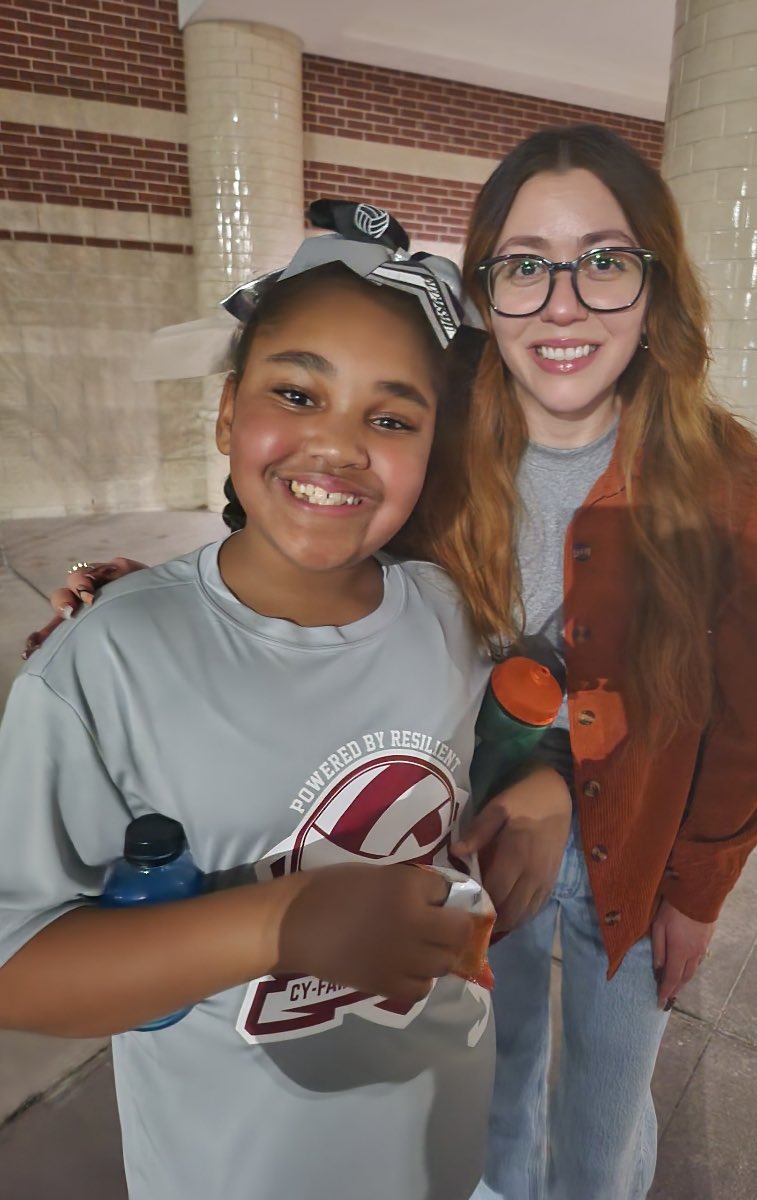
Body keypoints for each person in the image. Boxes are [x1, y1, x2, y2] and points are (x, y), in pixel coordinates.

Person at [27, 124, 757, 1200]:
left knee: (608, 1103)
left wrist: (702, 889)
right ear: (487, 291)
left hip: (639, 843)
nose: (563, 303)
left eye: (605, 261)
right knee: (496, 1074)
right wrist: (160, 602)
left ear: (656, 288)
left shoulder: (719, 473)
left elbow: (750, 710)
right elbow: (326, 534)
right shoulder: (446, 441)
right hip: (479, 825)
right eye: (525, 266)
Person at [0, 203, 571, 1200]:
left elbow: (506, 749)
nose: (341, 445)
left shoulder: (448, 615)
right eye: (297, 392)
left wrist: (544, 793)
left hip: (438, 1141)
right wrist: (282, 926)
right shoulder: (110, 664)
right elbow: (19, 967)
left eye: (390, 418)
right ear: (227, 413)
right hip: (239, 1167)